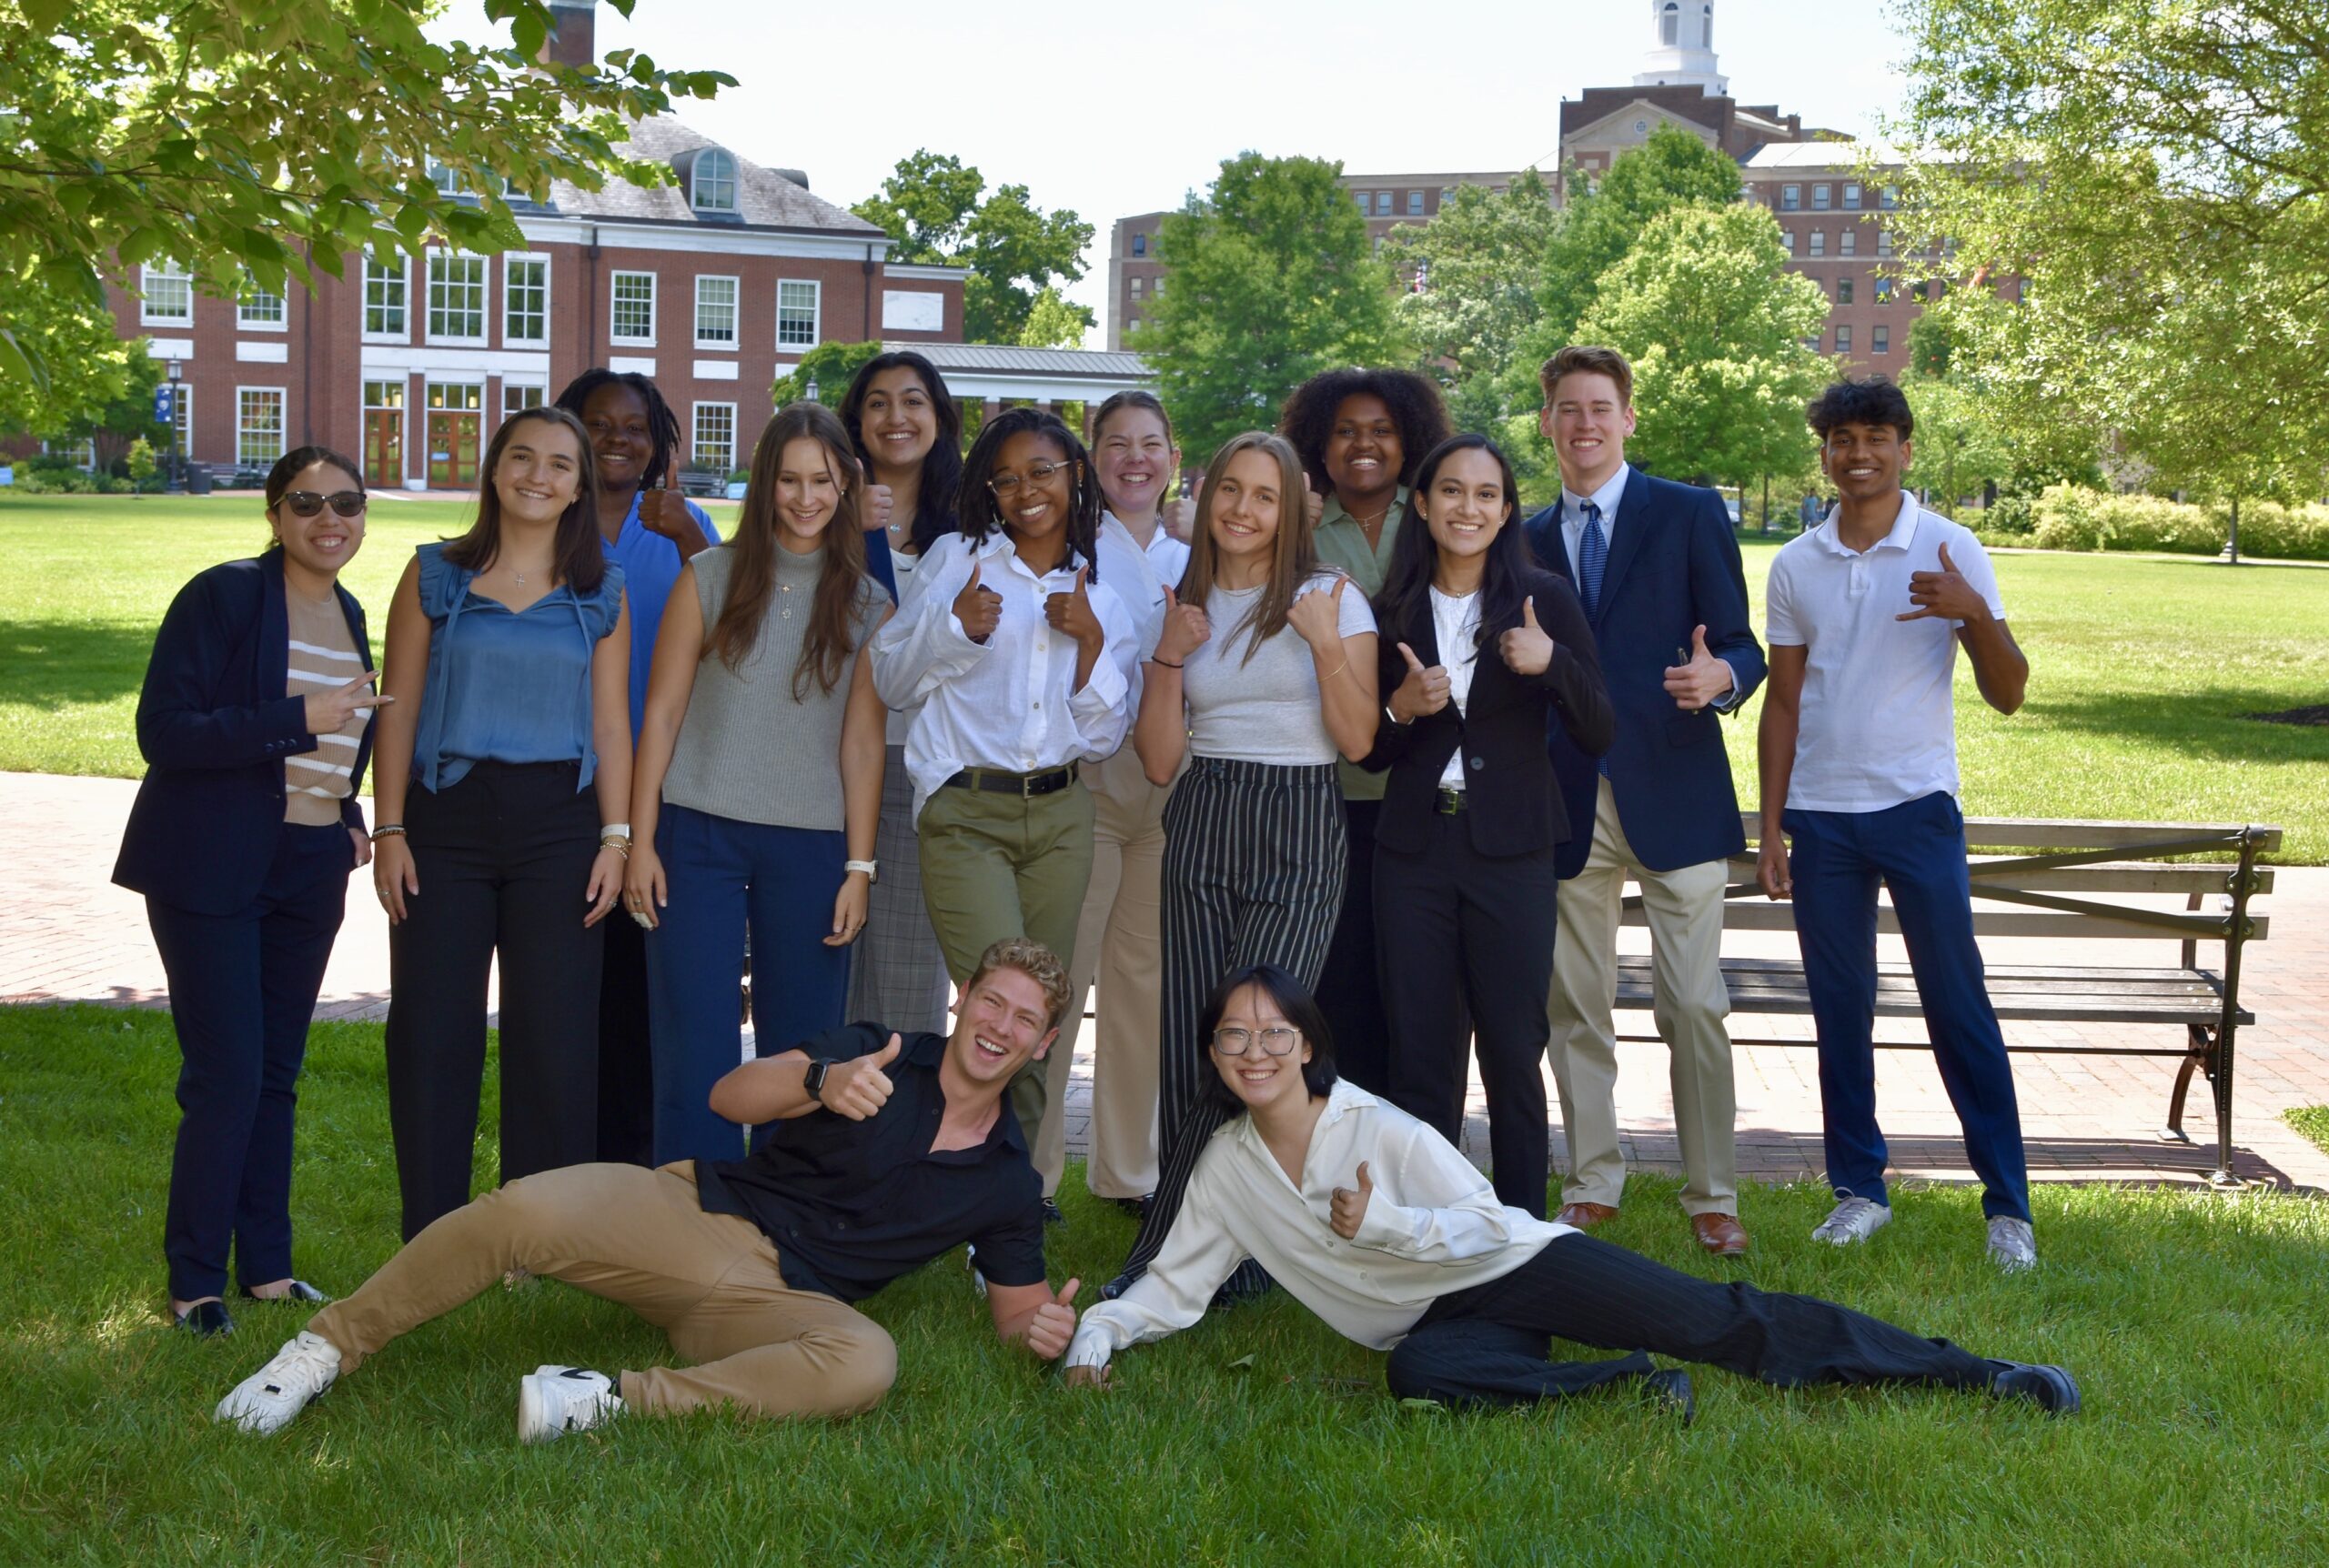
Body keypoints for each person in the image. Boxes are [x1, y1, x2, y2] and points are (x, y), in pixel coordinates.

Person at [1063, 965, 2081, 1422]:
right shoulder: (1229, 1166)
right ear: (1212, 1053)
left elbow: (1473, 1215)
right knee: (1419, 1375)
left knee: (1721, 1323)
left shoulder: (1377, 1128)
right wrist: (1095, 1337)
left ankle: (1975, 1375)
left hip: (1515, 1261)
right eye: (1233, 1036)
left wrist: (1384, 1223)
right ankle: (1625, 1386)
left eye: (1272, 1032)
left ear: (1308, 1044)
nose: (1254, 1050)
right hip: (1431, 1318)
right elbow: (1174, 1282)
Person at [213, 939, 1089, 1440]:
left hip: (778, 1304)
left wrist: (1044, 1334)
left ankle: (603, 1398)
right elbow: (728, 1097)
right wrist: (821, 1081)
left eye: (1025, 1020)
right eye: (992, 1002)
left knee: (868, 1360)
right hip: (699, 1216)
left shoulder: (1008, 1180)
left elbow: (1019, 1312)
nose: (1000, 1027)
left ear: (1044, 1045)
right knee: (518, 1209)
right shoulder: (882, 1052)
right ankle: (321, 1352)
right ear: (962, 997)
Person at [1757, 377, 2037, 1271]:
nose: (1857, 452)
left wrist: (1973, 613)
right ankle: (1857, 1189)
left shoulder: (1951, 549)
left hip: (1917, 810)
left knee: (1958, 1005)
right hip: (1823, 821)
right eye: (1840, 438)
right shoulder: (1795, 562)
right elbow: (1784, 705)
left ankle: (2007, 1207)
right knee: (1841, 1009)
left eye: (1875, 435)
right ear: (1826, 453)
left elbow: (2008, 692)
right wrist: (1770, 829)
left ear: (1905, 448)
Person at [114, 447, 382, 1334]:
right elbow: (167, 731)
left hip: (309, 868)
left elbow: (352, 730)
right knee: (227, 1074)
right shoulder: (224, 595)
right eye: (307, 502)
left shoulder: (348, 609)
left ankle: (267, 1265)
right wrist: (297, 718)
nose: (327, 518)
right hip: (214, 863)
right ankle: (196, 1280)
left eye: (346, 502)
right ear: (274, 513)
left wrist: (345, 808)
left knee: (275, 1074)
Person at [1107, 429, 1379, 1295]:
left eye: (1265, 496)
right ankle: (1203, 1247)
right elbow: (1157, 761)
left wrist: (1326, 642)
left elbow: (1361, 740)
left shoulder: (1332, 595)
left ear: (1292, 507)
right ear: (1207, 491)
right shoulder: (1179, 604)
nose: (1244, 510)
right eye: (1231, 490)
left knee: (1263, 1039)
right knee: (1198, 1037)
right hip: (1206, 812)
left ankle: (1185, 1251)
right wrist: (1168, 655)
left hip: (1301, 818)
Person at [1518, 346, 1769, 1254]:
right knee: (1572, 1000)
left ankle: (1712, 1190)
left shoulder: (1691, 513)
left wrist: (1723, 675)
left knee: (1693, 1002)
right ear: (1545, 423)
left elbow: (1745, 644)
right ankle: (1592, 1179)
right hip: (1565, 795)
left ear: (1628, 419)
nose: (1583, 423)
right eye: (1566, 409)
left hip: (1675, 786)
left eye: (1600, 407)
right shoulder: (1525, 534)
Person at [368, 406, 633, 1241]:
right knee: (431, 1029)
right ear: (493, 468)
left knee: (553, 1037)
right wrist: (391, 830)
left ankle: (536, 1235)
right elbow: (397, 711)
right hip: (445, 820)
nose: (538, 476)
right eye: (522, 457)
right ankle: (434, 1234)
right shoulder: (433, 577)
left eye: (560, 464)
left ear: (579, 487)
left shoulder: (602, 591)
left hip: (561, 824)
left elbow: (614, 724)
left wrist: (617, 839)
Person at [871, 407, 1140, 1170]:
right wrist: (957, 629)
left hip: (1060, 817)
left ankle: (1014, 1196)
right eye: (1007, 477)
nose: (1026, 490)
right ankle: (950, 1177)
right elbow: (890, 679)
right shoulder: (958, 559)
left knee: (1039, 1019)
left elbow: (1102, 736)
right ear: (987, 489)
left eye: (1043, 472)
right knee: (998, 1010)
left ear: (1076, 476)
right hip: (966, 816)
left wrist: (1087, 642)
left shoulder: (1102, 596)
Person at [625, 405, 891, 1165]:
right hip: (695, 836)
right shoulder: (708, 578)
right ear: (765, 483)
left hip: (812, 847)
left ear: (845, 484)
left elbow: (862, 744)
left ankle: (785, 1215)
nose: (806, 497)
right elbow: (664, 713)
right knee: (693, 1037)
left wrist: (859, 868)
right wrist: (641, 842)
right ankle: (688, 1211)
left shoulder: (870, 604)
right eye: (788, 479)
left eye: (823, 480)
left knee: (803, 1049)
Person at [1368, 435, 1611, 1219]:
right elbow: (1372, 752)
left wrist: (1555, 664)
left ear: (1506, 510)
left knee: (1513, 1052)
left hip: (1511, 851)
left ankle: (1518, 1234)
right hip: (1413, 856)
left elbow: (1600, 729)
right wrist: (1400, 710)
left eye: (1484, 495)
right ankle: (1430, 1229)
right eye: (1450, 491)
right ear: (1424, 503)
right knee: (1422, 1059)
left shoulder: (1543, 598)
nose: (1466, 508)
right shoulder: (1390, 609)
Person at [551, 372, 722, 1169]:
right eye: (598, 424)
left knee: (648, 974)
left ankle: (643, 1157)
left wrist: (688, 534)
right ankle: (569, 1152)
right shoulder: (545, 516)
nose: (618, 439)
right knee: (573, 971)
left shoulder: (688, 526)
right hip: (562, 778)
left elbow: (741, 636)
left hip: (666, 781)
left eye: (636, 428)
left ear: (659, 443)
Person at [1276, 368, 1453, 1096]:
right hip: (1330, 786)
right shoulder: (1301, 529)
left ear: (1408, 437)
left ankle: (1413, 1144)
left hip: (1426, 783)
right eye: (1346, 429)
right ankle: (1336, 1130)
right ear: (1320, 441)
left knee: (1416, 980)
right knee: (1340, 972)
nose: (1364, 444)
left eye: (1380, 429)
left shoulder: (1438, 514)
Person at [1031, 390, 1178, 1215]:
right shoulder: (1069, 548)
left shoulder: (1196, 552)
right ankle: (1036, 1174)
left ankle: (1131, 1171)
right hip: (1088, 777)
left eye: (1150, 442)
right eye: (1116, 443)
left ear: (1173, 457)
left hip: (1169, 785)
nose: (1135, 457)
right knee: (1063, 977)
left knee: (1143, 983)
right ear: (1092, 459)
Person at [838, 352, 963, 1040]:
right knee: (827, 972)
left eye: (913, 401)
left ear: (939, 418)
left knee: (909, 983)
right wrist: (843, 529)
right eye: (879, 401)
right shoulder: (817, 510)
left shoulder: (973, 529)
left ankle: (900, 1136)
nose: (896, 416)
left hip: (922, 774)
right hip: (826, 768)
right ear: (857, 420)